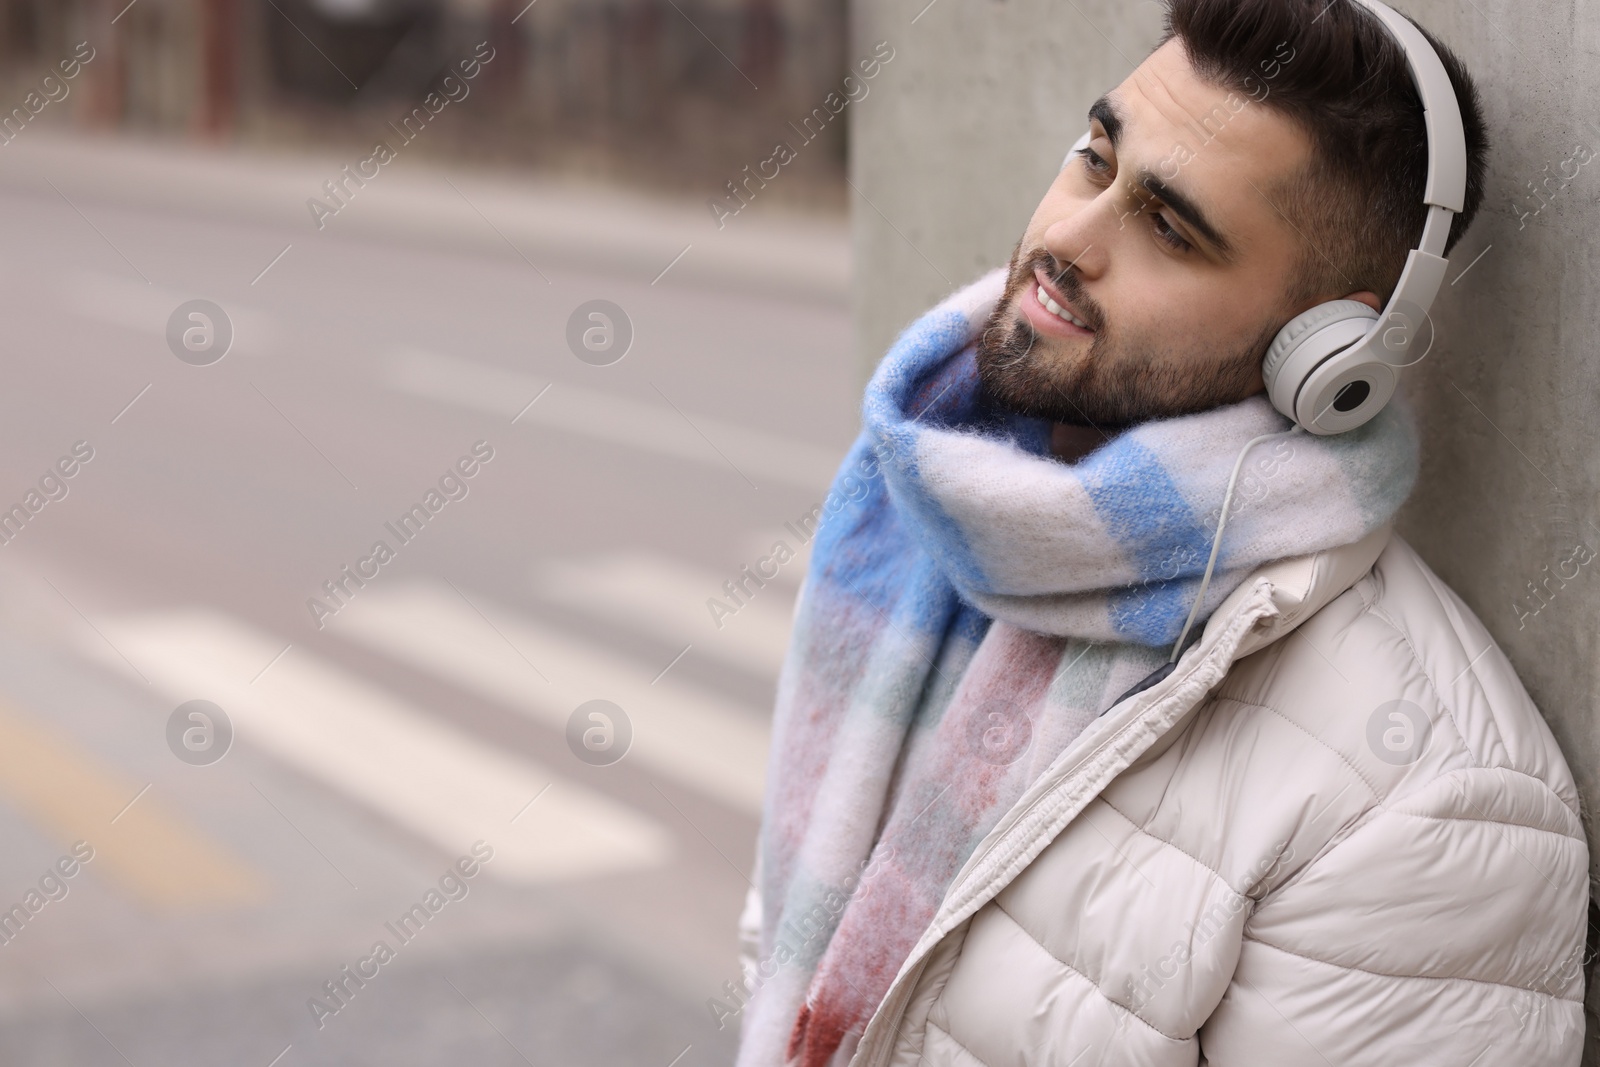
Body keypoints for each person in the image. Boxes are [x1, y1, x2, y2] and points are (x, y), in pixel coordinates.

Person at [730, 0, 1592, 1064]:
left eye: (1171, 229)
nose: (1066, 241)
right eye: (1095, 161)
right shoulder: (931, 517)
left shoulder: (1422, 804)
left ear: (1325, 349)